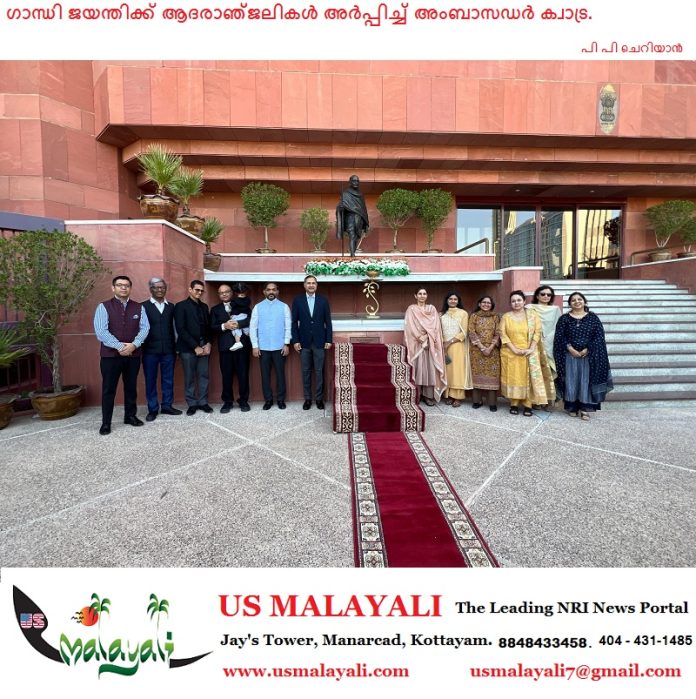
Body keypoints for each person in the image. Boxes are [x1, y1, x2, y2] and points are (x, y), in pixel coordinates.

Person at [93, 275, 150, 435]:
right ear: (113, 288)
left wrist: (134, 345)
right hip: (110, 357)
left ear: (130, 288)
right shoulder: (103, 307)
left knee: (131, 387)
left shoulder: (139, 307)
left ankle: (130, 416)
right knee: (108, 389)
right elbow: (101, 331)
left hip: (133, 355)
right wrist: (119, 346)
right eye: (119, 285)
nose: (123, 288)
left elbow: (145, 328)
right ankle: (106, 423)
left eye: (126, 285)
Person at [553, 291, 614, 420]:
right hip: (569, 355)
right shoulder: (564, 319)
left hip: (589, 356)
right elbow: (560, 336)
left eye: (579, 299)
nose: (577, 302)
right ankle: (572, 407)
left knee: (585, 381)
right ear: (570, 303)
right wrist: (570, 349)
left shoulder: (593, 318)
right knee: (571, 380)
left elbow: (598, 336)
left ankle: (585, 409)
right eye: (573, 300)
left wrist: (587, 349)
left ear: (584, 302)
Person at [500, 290, 552, 416]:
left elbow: (537, 332)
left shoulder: (532, 316)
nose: (516, 303)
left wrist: (531, 348)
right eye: (513, 301)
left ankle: (528, 404)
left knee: (528, 378)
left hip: (529, 352)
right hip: (511, 353)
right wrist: (514, 349)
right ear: (510, 303)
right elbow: (502, 333)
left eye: (519, 300)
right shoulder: (506, 317)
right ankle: (514, 403)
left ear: (524, 302)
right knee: (514, 377)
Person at [141, 277, 182, 421]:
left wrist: (177, 347)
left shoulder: (171, 306)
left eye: (163, 287)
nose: (160, 290)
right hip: (149, 351)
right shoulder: (143, 306)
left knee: (168, 379)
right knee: (150, 380)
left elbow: (175, 328)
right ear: (151, 289)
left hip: (169, 350)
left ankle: (167, 406)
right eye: (157, 287)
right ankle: (152, 409)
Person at [291, 275, 333, 410]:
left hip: (320, 342)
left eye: (313, 283)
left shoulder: (323, 300)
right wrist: (295, 340)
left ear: (316, 285)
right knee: (306, 371)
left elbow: (328, 322)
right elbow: (294, 322)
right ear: (304, 285)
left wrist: (329, 339)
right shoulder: (298, 300)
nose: (311, 285)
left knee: (319, 371)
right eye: (308, 283)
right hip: (304, 342)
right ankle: (308, 399)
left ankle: (319, 399)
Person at [210, 282, 252, 413]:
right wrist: (224, 326)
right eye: (221, 293)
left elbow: (250, 319)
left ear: (231, 293)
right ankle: (227, 402)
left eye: (226, 292)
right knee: (226, 375)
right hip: (225, 347)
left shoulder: (242, 304)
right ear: (219, 295)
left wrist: (237, 324)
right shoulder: (215, 309)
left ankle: (243, 400)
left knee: (243, 374)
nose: (224, 294)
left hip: (242, 346)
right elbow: (212, 327)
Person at [250, 282, 292, 410]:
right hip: (263, 348)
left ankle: (280, 399)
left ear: (277, 292)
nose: (271, 292)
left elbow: (288, 326)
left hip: (279, 347)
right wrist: (255, 346)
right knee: (265, 375)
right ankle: (268, 400)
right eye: (268, 290)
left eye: (274, 290)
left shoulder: (284, 307)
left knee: (280, 374)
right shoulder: (258, 307)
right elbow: (253, 327)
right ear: (264, 292)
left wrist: (286, 344)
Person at [174, 280, 213, 416]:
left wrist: (208, 343)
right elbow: (181, 329)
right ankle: (191, 403)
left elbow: (208, 327)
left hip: (204, 345)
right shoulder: (180, 306)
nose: (199, 292)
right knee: (189, 377)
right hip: (188, 348)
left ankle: (203, 402)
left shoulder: (204, 307)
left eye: (202, 290)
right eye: (197, 290)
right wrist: (195, 346)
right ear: (190, 289)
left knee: (203, 375)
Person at [403, 288, 447, 405]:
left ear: (427, 296)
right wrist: (420, 338)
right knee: (417, 368)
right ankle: (416, 395)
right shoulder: (411, 309)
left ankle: (428, 396)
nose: (422, 296)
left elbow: (436, 326)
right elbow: (409, 326)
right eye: (420, 294)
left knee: (429, 369)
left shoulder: (431, 309)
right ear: (415, 296)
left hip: (430, 343)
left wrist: (427, 339)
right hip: (416, 343)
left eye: (424, 294)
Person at [526, 284, 561, 407]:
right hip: (534, 343)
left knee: (549, 372)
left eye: (549, 294)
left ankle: (548, 400)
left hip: (550, 344)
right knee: (535, 372)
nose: (546, 296)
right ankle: (535, 400)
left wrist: (549, 339)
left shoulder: (555, 310)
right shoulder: (529, 308)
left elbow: (558, 327)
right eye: (543, 294)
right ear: (537, 295)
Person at [468, 295, 501, 412]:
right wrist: (482, 347)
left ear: (491, 305)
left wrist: (490, 347)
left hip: (492, 350)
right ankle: (477, 401)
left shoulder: (495, 317)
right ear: (479, 304)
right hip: (477, 350)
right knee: (477, 374)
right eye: (484, 302)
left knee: (492, 375)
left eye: (488, 303)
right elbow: (471, 332)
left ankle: (492, 402)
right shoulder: (474, 316)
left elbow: (498, 333)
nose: (486, 304)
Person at [440, 291, 472, 408]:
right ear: (447, 300)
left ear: (458, 301)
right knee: (447, 371)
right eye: (450, 299)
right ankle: (448, 395)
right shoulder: (442, 315)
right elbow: (439, 331)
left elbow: (464, 332)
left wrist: (449, 342)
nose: (453, 301)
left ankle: (457, 397)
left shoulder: (463, 313)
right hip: (444, 346)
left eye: (455, 299)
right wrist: (443, 343)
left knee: (457, 371)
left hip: (457, 345)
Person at [336, 174, 369, 257]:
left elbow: (363, 208)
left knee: (357, 236)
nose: (356, 183)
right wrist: (341, 208)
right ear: (350, 182)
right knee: (352, 235)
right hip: (350, 218)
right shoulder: (345, 194)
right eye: (354, 181)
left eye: (357, 181)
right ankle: (352, 255)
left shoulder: (360, 194)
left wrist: (365, 221)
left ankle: (353, 253)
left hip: (359, 218)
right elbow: (340, 206)